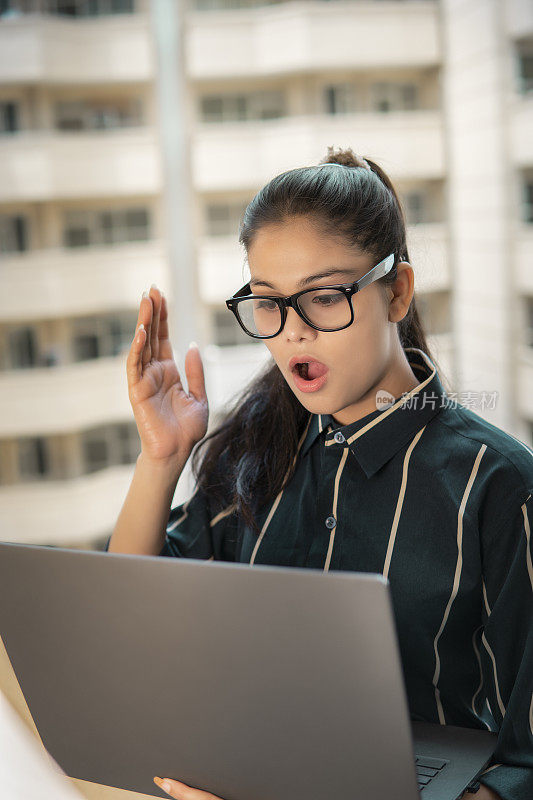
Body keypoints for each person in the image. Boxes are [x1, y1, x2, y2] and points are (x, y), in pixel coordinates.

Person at [105, 147, 532, 800]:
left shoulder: (498, 486)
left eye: (323, 297)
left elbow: (522, 763)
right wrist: (161, 457)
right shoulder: (252, 450)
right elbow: (132, 622)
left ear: (397, 291)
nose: (293, 334)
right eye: (269, 303)